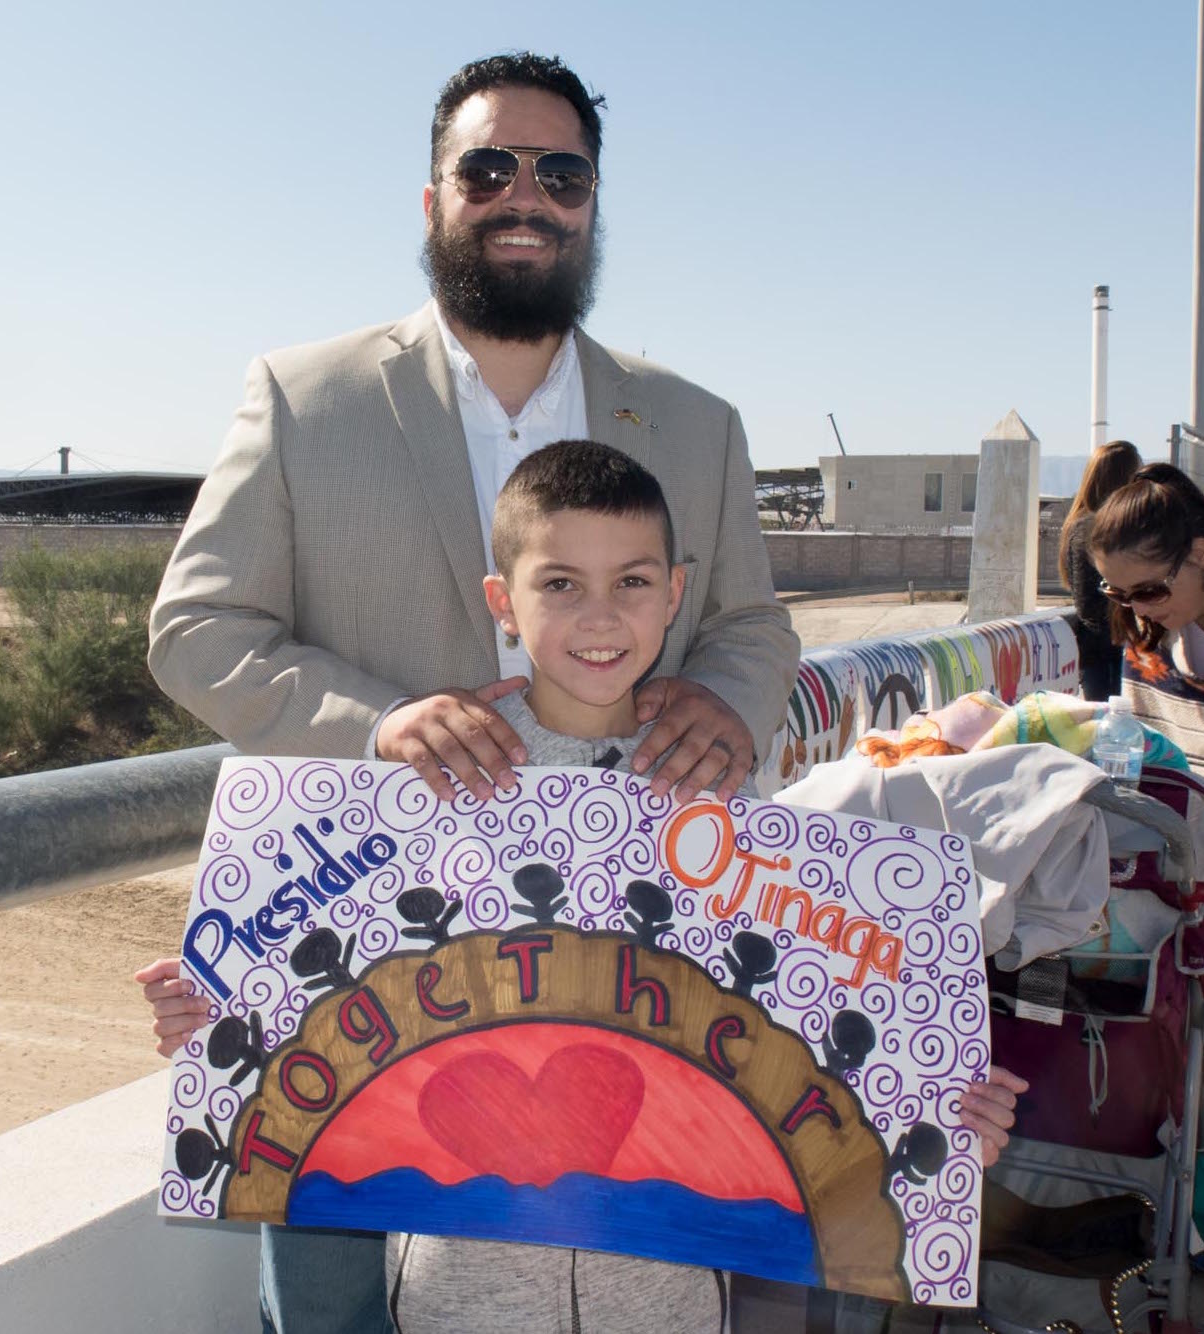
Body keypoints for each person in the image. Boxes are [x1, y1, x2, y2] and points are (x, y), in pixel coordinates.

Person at [143, 51, 802, 1334]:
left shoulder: (697, 421)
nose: (526, 195)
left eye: (561, 172)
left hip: (615, 973)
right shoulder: (301, 398)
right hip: (356, 968)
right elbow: (195, 630)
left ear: (593, 201)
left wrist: (727, 696)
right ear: (435, 192)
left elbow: (752, 626)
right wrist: (378, 724)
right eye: (489, 166)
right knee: (333, 1309)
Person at [382, 440, 1025, 1331]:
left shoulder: (716, 787)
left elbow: (799, 999)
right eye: (561, 584)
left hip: (669, 1289)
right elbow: (338, 978)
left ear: (676, 593)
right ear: (503, 602)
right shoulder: (438, 777)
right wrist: (211, 1011)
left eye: (633, 582)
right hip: (456, 1282)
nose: (600, 616)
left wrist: (939, 1103)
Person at [1087, 461, 1204, 771]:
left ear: (1200, 555)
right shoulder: (1143, 632)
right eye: (1118, 594)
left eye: (1148, 591)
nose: (1137, 608)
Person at [1058, 440, 1141, 701]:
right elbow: (1089, 607)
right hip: (1106, 659)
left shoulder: (1089, 525)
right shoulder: (1088, 528)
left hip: (1111, 655)